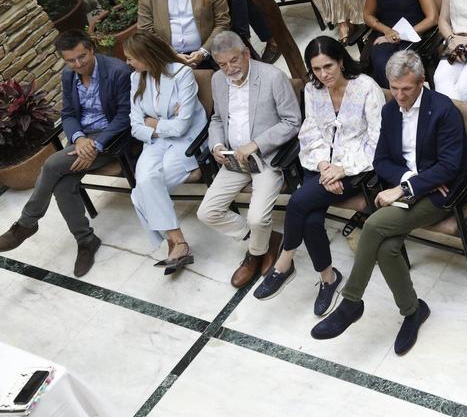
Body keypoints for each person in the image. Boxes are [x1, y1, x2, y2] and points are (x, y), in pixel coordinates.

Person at [310, 51, 467, 355]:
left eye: (406, 89)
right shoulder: (390, 111)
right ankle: (413, 312)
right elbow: (381, 159)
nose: (398, 95)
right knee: (386, 247)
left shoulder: (443, 110)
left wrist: (406, 187)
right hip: (413, 186)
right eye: (394, 88)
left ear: (422, 82)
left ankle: (351, 303)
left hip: (441, 193)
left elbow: (450, 167)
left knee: (372, 226)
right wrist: (408, 181)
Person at [254, 37, 385, 315]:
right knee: (311, 220)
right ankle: (328, 278)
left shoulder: (366, 87)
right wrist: (325, 165)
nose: (323, 75)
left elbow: (377, 139)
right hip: (318, 163)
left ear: (341, 61)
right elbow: (310, 131)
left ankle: (284, 262)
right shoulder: (313, 90)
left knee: (299, 203)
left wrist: (343, 168)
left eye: (328, 66)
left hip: (355, 169)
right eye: (316, 69)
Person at [0, 31, 131, 278]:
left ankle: (25, 225)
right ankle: (86, 241)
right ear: (64, 60)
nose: (78, 64)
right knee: (62, 186)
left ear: (92, 49)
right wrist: (80, 139)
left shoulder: (117, 72)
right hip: (83, 140)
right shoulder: (69, 76)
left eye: (82, 57)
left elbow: (125, 117)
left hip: (112, 140)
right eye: (71, 60)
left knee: (51, 165)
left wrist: (96, 145)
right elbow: (69, 114)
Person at [197, 31, 301, 288]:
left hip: (266, 158)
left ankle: (254, 255)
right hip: (234, 159)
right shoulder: (218, 80)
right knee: (207, 212)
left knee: (257, 218)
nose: (229, 68)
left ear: (246, 52)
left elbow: (293, 122)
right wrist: (218, 145)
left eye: (234, 60)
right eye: (222, 64)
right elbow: (218, 119)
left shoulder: (272, 77)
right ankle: (265, 242)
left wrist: (257, 144)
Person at [124, 32, 208, 272]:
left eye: (132, 58)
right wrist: (156, 127)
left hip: (187, 141)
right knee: (145, 183)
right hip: (154, 142)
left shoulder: (182, 74)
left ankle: (176, 244)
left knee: (141, 193)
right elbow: (134, 125)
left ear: (147, 55)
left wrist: (152, 123)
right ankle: (178, 242)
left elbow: (183, 126)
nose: (129, 63)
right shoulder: (135, 79)